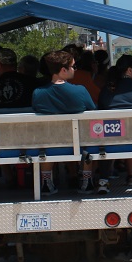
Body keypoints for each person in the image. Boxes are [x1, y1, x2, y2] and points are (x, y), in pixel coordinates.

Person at [31, 50, 106, 195]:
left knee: (45, 143)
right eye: (73, 66)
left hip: (51, 144)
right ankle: (87, 181)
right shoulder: (80, 91)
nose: (75, 70)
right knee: (89, 141)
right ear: (63, 70)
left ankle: (46, 182)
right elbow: (92, 110)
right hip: (78, 143)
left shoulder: (38, 93)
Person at [97, 54, 132, 183]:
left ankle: (103, 181)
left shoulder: (107, 90)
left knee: (104, 143)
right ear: (129, 70)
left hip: (112, 140)